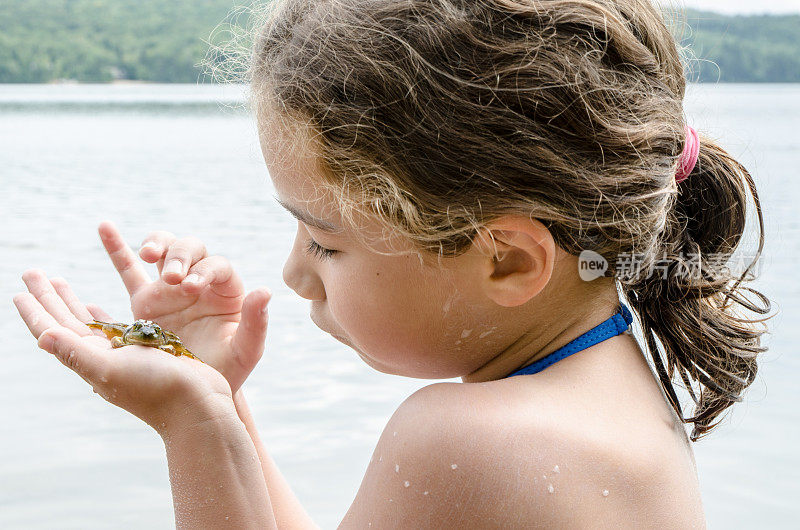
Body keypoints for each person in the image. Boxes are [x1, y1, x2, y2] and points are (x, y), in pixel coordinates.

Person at [14, 0, 771, 527]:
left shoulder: (470, 443)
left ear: (506, 260)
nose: (293, 274)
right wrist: (217, 394)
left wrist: (193, 422)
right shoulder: (604, 385)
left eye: (325, 242)